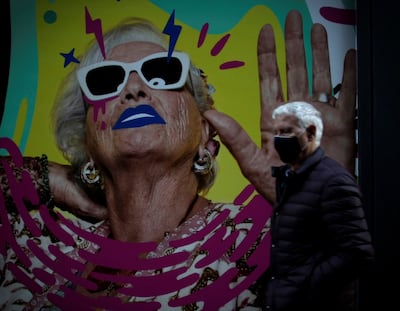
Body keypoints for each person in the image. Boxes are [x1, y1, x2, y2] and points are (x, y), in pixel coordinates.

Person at [0, 9, 364, 310]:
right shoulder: (39, 250)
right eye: (106, 80)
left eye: (162, 73)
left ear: (207, 136)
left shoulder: (259, 241)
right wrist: (61, 182)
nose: (134, 89)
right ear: (85, 140)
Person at [263, 100, 374, 311]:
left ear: (311, 133)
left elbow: (357, 252)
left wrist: (308, 285)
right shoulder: (289, 178)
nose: (278, 139)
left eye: (286, 131)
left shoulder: (334, 181)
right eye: (276, 132)